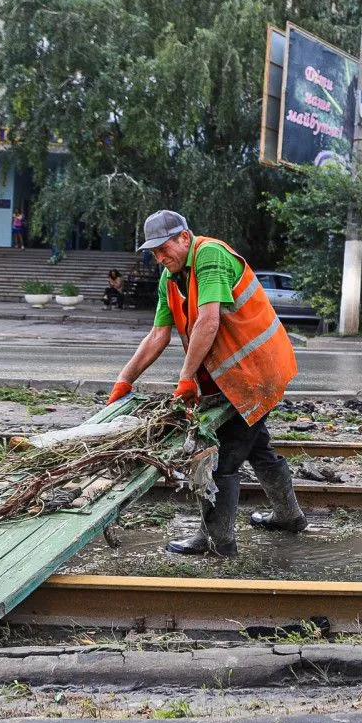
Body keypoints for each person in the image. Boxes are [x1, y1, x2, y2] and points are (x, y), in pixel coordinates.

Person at [108, 210, 306, 558]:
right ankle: (289, 516)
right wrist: (124, 380)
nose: (158, 257)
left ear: (185, 237)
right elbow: (157, 335)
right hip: (236, 378)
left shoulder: (209, 255)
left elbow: (209, 320)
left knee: (223, 459)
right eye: (152, 252)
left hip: (257, 373)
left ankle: (217, 542)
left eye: (163, 248)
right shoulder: (169, 279)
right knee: (257, 445)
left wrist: (185, 378)